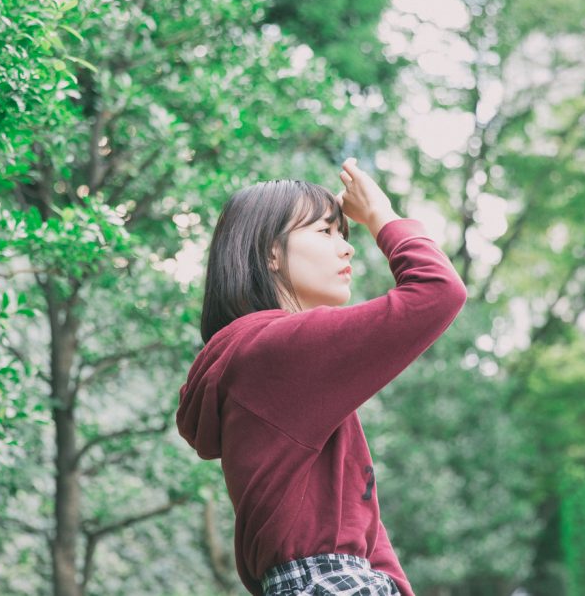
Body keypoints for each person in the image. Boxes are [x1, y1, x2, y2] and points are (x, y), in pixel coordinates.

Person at [176, 157, 467, 596]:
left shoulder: (273, 364)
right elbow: (437, 291)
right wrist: (380, 214)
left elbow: (359, 519)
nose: (347, 247)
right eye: (324, 232)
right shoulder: (276, 349)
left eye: (343, 233)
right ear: (271, 252)